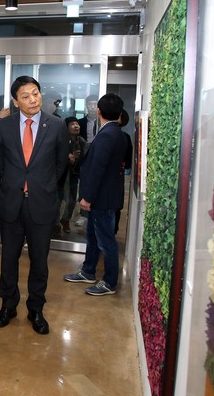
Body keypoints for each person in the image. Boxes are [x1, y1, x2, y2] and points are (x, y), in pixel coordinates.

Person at [0, 75, 67, 334]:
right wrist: (12, 188)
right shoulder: (3, 126)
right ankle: (8, 305)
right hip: (12, 203)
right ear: (16, 101)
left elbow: (60, 166)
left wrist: (44, 188)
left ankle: (36, 308)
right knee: (8, 259)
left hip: (42, 203)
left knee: (39, 261)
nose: (33, 99)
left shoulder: (56, 126)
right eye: (25, 96)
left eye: (35, 93)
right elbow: (0, 166)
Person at [63, 93, 127, 296]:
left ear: (99, 111)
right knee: (92, 235)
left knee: (106, 241)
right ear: (120, 113)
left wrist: (87, 197)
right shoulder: (117, 132)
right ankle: (88, 271)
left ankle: (109, 282)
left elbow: (98, 169)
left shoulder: (108, 134)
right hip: (105, 196)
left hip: (102, 198)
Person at [75, 94, 99, 227]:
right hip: (84, 156)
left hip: (98, 156)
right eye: (90, 104)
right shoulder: (80, 123)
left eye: (95, 104)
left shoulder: (102, 122)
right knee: (83, 185)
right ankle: (83, 214)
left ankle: (94, 214)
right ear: (86, 106)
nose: (92, 107)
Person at [60, 117, 87, 233]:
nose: (76, 126)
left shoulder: (81, 141)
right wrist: (68, 156)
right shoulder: (61, 140)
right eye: (72, 124)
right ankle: (55, 223)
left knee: (72, 199)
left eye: (77, 124)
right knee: (61, 199)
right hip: (62, 173)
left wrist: (76, 159)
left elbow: (85, 158)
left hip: (74, 174)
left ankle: (65, 220)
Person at [114, 109, 133, 235]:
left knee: (115, 206)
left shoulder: (124, 137)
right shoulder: (125, 137)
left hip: (117, 175)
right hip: (117, 175)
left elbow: (128, 161)